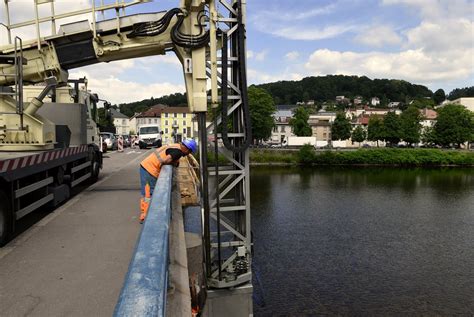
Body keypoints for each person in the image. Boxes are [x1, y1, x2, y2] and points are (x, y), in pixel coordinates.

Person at [139, 139, 197, 223]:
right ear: (187, 149)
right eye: (189, 152)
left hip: (147, 166)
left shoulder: (176, 146)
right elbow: (166, 160)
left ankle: (149, 214)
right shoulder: (178, 152)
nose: (188, 154)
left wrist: (175, 163)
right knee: (148, 194)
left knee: (150, 193)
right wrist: (169, 163)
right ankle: (145, 217)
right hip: (149, 169)